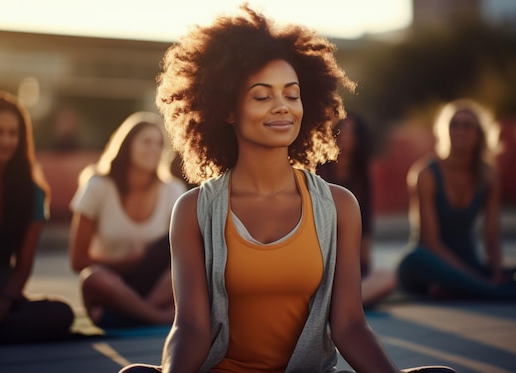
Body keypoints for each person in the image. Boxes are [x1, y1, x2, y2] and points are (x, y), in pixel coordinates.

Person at [120, 5, 455, 373]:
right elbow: (191, 328)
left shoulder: (339, 206)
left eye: (291, 95)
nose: (282, 107)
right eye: (262, 97)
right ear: (228, 110)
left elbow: (349, 325)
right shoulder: (194, 209)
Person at [396, 98, 516, 301]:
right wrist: (474, 277)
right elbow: (430, 243)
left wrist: (495, 273)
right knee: (414, 258)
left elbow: (491, 234)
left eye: (467, 126)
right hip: (427, 265)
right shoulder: (426, 174)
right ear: (444, 131)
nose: (459, 130)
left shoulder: (488, 175)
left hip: (470, 264)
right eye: (453, 124)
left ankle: (469, 289)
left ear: (479, 134)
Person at [0, 91, 74, 346]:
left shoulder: (32, 192)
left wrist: (4, 301)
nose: (6, 140)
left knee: (61, 315)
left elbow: (23, 265)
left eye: (12, 133)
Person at [69, 111, 187, 329]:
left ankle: (136, 312)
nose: (153, 149)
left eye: (159, 143)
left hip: (158, 285)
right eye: (146, 142)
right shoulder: (97, 186)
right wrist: (127, 263)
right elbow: (77, 261)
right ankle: (158, 317)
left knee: (186, 262)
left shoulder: (173, 189)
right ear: (126, 145)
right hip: (113, 282)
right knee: (92, 279)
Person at [317, 112, 397, 307]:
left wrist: (364, 264)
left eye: (352, 131)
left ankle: (335, 306)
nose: (346, 135)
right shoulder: (318, 171)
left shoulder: (362, 175)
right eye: (342, 130)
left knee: (387, 278)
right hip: (321, 259)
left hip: (350, 262)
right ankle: (340, 304)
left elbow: (366, 221)